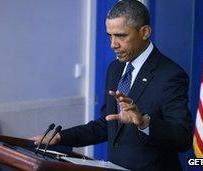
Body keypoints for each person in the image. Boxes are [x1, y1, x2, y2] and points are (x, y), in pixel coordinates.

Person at [31, 0, 192, 170]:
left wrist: (144, 122)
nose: (113, 44)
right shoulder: (115, 68)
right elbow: (107, 124)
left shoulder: (170, 75)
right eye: (110, 35)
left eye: (121, 36)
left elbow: (183, 138)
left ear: (144, 32)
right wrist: (61, 137)